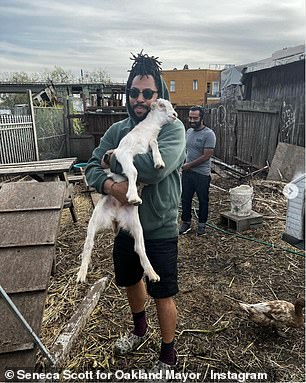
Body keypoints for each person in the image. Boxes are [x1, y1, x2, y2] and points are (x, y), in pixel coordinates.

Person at [85, 52, 186, 372]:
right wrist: (110, 187)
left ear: (159, 98)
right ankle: (139, 330)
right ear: (128, 94)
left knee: (163, 292)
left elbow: (151, 171)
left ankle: (168, 356)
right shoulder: (117, 129)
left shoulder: (172, 130)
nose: (139, 99)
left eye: (147, 93)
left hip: (158, 224)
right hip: (126, 225)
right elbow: (89, 166)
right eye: (134, 92)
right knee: (130, 279)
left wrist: (112, 160)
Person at [179, 106, 216, 236]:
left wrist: (189, 165)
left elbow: (207, 155)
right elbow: (185, 150)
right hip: (187, 173)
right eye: (190, 117)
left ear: (202, 118)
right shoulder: (188, 131)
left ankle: (201, 225)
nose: (192, 120)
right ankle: (186, 222)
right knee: (185, 199)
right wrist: (183, 163)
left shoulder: (209, 134)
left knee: (203, 200)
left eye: (195, 118)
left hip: (202, 174)